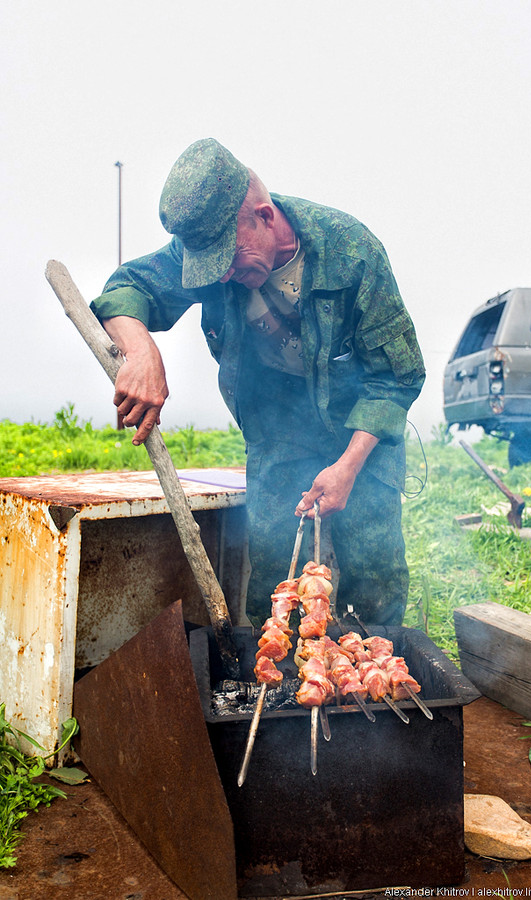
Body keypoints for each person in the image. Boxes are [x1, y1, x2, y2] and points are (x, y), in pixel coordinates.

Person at [91, 138, 425, 624]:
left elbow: (396, 377)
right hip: (279, 431)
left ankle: (370, 667)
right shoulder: (207, 254)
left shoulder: (351, 253)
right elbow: (126, 289)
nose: (222, 275)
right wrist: (141, 351)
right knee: (275, 580)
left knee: (374, 576)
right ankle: (276, 679)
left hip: (361, 428)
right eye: (211, 265)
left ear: (264, 217)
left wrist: (347, 466)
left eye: (231, 256)